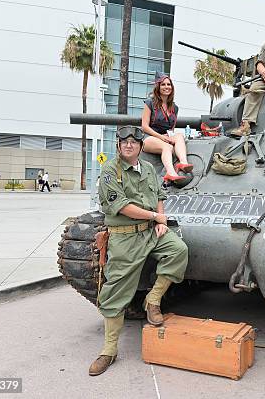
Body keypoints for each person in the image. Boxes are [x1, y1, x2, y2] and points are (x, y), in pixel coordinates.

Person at [89, 126, 189, 376]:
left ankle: (152, 300)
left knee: (178, 250)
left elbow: (159, 194)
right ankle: (109, 350)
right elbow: (121, 206)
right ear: (119, 146)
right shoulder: (111, 171)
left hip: (150, 233)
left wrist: (161, 220)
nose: (129, 145)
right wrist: (156, 216)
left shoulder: (147, 168)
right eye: (125, 142)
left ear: (140, 147)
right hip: (125, 238)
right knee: (115, 292)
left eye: (134, 142)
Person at [141, 72, 193, 184]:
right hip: (149, 137)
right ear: (158, 87)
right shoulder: (150, 103)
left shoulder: (175, 108)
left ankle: (183, 163)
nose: (166, 87)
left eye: (169, 84)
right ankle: (170, 172)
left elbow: (171, 129)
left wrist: (168, 136)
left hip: (164, 136)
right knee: (167, 147)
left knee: (179, 136)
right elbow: (144, 126)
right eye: (163, 84)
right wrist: (161, 137)